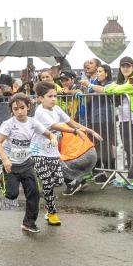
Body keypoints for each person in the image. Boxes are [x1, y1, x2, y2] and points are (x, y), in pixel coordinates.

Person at [0, 94, 55, 233]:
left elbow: (48, 133)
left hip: (27, 163)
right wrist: (5, 160)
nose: (20, 112)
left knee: (33, 193)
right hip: (11, 164)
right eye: (16, 109)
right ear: (12, 110)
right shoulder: (8, 124)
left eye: (22, 108)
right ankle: (2, 178)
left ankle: (29, 223)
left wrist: (53, 138)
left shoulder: (33, 122)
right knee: (12, 195)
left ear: (28, 107)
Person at [32, 82, 84, 224]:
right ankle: (52, 213)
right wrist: (75, 131)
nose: (53, 99)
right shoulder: (40, 112)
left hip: (53, 152)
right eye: (50, 96)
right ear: (41, 98)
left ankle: (37, 177)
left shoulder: (56, 109)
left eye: (55, 96)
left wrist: (86, 130)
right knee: (48, 184)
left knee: (59, 181)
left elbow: (69, 121)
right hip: (38, 151)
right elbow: (56, 126)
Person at [104, 57, 133, 190]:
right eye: (123, 66)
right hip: (123, 118)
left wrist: (115, 87)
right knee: (127, 147)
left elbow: (115, 89)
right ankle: (131, 175)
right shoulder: (121, 81)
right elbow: (111, 88)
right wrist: (114, 87)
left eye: (128, 66)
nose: (125, 68)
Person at [80, 63, 116, 183]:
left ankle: (111, 172)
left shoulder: (110, 84)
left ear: (106, 73)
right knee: (99, 147)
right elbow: (88, 97)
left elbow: (104, 91)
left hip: (106, 118)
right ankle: (104, 172)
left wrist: (89, 84)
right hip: (94, 118)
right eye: (98, 71)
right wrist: (85, 89)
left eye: (101, 71)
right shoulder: (94, 83)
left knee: (106, 146)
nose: (98, 74)